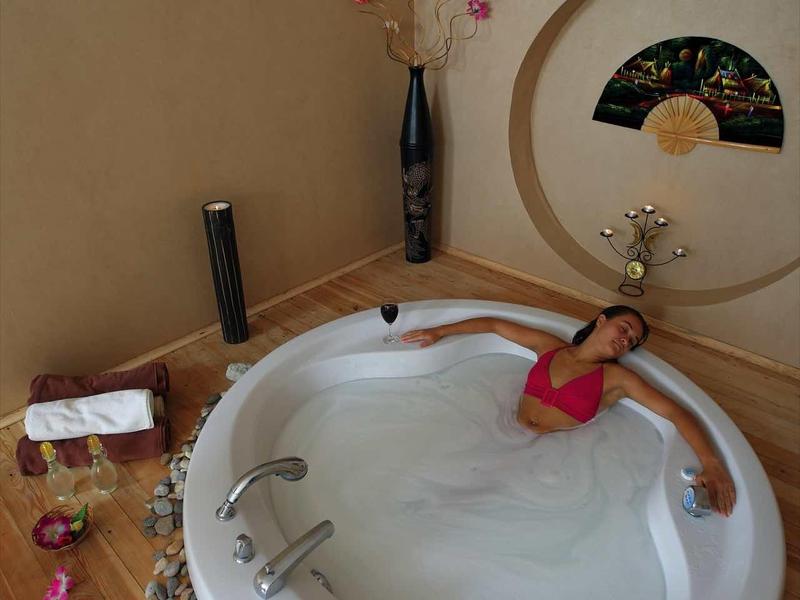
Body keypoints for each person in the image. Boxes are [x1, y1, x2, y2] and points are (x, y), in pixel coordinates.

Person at [401, 305, 736, 517]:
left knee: (476, 499)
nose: (626, 340)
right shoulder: (550, 348)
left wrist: (711, 462)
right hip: (504, 427)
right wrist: (438, 331)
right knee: (442, 474)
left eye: (632, 341)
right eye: (624, 328)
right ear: (601, 320)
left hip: (548, 454)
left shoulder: (617, 379)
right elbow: (494, 324)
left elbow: (677, 413)